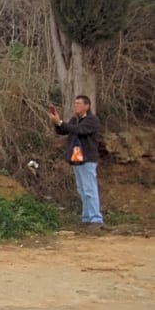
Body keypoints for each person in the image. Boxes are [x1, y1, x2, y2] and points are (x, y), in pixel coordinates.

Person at [50, 95, 103, 227]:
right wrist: (57, 122)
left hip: (88, 158)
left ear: (87, 106)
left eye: (79, 103)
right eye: (75, 103)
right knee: (82, 190)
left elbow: (79, 130)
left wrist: (61, 122)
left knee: (90, 189)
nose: (76, 106)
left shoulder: (92, 120)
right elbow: (64, 131)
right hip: (77, 158)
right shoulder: (75, 119)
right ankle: (86, 218)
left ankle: (96, 218)